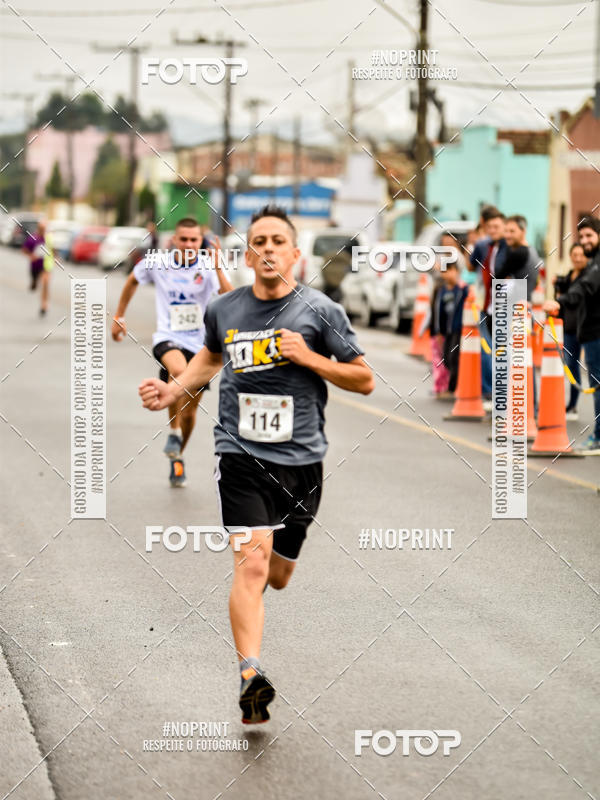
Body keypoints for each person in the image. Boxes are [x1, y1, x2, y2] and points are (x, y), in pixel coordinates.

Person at [138, 204, 374, 724]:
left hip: (304, 462)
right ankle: (251, 676)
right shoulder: (225, 309)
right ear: (248, 255)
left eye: (277, 242)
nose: (266, 249)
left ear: (295, 253)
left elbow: (365, 378)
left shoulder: (320, 312)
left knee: (280, 575)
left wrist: (310, 358)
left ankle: (260, 609)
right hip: (240, 455)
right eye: (258, 241)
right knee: (252, 565)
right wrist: (171, 388)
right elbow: (209, 358)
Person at [112, 217, 234, 485]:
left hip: (201, 346)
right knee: (179, 370)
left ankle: (177, 453)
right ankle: (173, 430)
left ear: (199, 242)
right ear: (174, 241)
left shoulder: (207, 266)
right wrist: (119, 315)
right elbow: (132, 280)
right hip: (168, 338)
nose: (189, 244)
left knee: (190, 414)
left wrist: (219, 268)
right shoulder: (158, 262)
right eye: (184, 239)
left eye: (194, 240)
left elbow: (231, 299)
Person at [544, 216, 600, 455]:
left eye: (590, 236)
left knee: (597, 385)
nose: (585, 241)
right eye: (582, 237)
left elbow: (585, 287)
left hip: (596, 333)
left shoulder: (596, 265)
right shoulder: (591, 263)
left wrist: (560, 302)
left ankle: (598, 437)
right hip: (589, 332)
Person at [553, 243, 588, 420]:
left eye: (581, 255)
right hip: (568, 326)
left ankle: (573, 404)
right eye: (574, 254)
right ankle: (572, 404)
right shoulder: (569, 276)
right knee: (570, 365)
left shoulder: (587, 277)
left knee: (583, 366)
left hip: (583, 327)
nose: (577, 258)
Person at [433, 261, 468, 394]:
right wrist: (438, 331)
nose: (446, 275)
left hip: (459, 329)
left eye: (449, 271)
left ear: (456, 271)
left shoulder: (462, 289)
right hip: (447, 330)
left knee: (454, 358)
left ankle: (453, 388)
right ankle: (453, 385)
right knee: (446, 358)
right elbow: (439, 312)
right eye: (444, 272)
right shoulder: (442, 291)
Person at [497, 215, 540, 301]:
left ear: (523, 231)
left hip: (515, 306)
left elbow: (497, 279)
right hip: (524, 303)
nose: (507, 235)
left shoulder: (519, 253)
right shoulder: (532, 250)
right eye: (506, 231)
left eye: (512, 231)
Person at [22, 220, 53, 317]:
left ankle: (44, 305)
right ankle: (34, 282)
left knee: (45, 283)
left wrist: (56, 257)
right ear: (39, 229)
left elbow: (53, 249)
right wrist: (31, 256)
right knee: (35, 284)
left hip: (46, 266)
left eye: (45, 229)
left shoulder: (48, 238)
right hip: (35, 266)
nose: (43, 230)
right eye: (42, 229)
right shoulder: (33, 238)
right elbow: (24, 250)